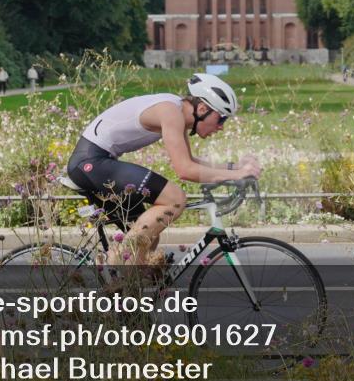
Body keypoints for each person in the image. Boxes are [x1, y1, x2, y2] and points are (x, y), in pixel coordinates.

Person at [66, 73, 261, 267]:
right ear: (202, 108)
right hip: (91, 163)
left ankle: (125, 282)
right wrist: (236, 175)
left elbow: (190, 161)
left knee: (150, 238)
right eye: (221, 119)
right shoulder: (170, 112)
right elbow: (185, 170)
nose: (221, 127)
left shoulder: (176, 111)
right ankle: (117, 260)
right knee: (175, 199)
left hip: (95, 164)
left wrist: (234, 167)